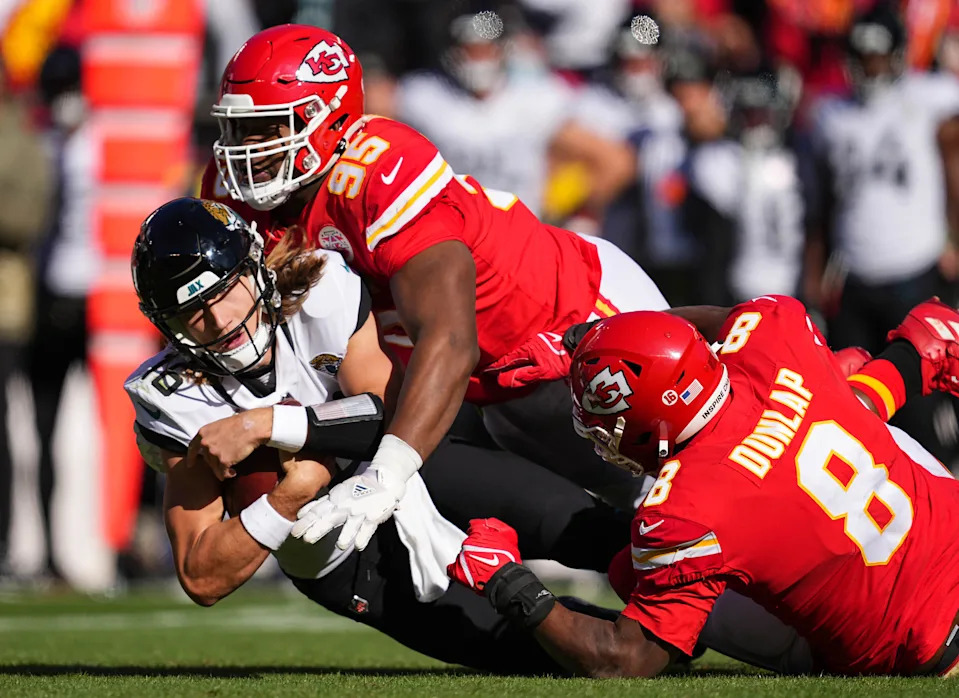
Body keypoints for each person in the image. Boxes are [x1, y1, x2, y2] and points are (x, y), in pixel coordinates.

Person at [124, 197, 635, 675]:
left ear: (254, 266)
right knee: (554, 647)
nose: (219, 321)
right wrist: (288, 496)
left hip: (409, 471)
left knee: (584, 528)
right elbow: (202, 575)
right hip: (349, 559)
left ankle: (703, 588)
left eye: (222, 293)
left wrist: (266, 425)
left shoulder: (317, 294)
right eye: (191, 312)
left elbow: (387, 411)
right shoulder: (172, 400)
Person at [200, 23, 669, 542]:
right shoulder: (238, 197)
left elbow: (449, 337)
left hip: (584, 317)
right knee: (633, 523)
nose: (247, 150)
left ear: (325, 120)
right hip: (501, 390)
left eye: (267, 128)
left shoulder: (376, 170)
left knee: (675, 490)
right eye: (237, 130)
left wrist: (387, 472)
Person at [447, 294, 959, 676]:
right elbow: (716, 324)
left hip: (918, 645)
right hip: (942, 525)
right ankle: (917, 355)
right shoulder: (775, 332)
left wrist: (510, 584)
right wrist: (603, 332)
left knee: (630, 570)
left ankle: (908, 361)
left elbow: (624, 657)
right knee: (842, 394)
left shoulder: (685, 510)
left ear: (650, 426)